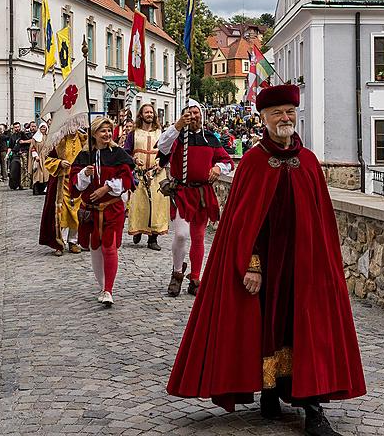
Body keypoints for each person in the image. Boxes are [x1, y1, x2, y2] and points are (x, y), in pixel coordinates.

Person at [167, 85, 366, 436]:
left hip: (303, 265)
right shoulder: (254, 162)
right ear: (263, 118)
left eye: (289, 111)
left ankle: (313, 407)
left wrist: (325, 268)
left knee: (305, 327)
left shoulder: (308, 163)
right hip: (265, 265)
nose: (285, 118)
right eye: (277, 113)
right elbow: (244, 222)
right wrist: (252, 264)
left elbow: (321, 222)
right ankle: (271, 389)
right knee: (264, 325)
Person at [158, 99, 234, 297]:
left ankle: (195, 277)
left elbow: (227, 161)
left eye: (196, 112)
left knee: (199, 237)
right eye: (189, 112)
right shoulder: (177, 137)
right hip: (182, 191)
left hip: (202, 193)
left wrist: (218, 167)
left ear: (202, 114)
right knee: (181, 235)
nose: (194, 116)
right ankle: (177, 273)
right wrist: (177, 126)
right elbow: (163, 148)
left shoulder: (210, 138)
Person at [69, 117, 134, 306]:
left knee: (109, 247)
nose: (106, 134)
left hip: (112, 208)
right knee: (95, 248)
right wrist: (84, 174)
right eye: (102, 131)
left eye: (109, 131)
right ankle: (102, 285)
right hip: (91, 210)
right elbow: (75, 183)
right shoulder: (84, 156)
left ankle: (109, 290)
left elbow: (126, 177)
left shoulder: (118, 154)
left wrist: (106, 188)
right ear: (94, 134)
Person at [124, 104, 169, 251]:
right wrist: (134, 160)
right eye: (146, 112)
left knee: (156, 205)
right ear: (141, 115)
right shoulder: (134, 133)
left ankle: (153, 238)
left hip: (157, 174)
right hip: (139, 173)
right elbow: (126, 152)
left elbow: (168, 152)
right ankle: (138, 230)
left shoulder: (161, 133)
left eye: (151, 112)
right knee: (139, 205)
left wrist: (161, 164)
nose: (149, 114)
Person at [39, 128, 87, 256]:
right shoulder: (58, 140)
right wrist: (59, 162)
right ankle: (59, 242)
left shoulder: (84, 139)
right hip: (62, 182)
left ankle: (73, 241)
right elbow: (48, 159)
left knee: (77, 213)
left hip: (78, 181)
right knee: (61, 213)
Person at [28, 122, 49, 195]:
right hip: (38, 158)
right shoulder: (35, 137)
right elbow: (32, 147)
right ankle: (36, 190)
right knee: (37, 174)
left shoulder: (48, 137)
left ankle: (44, 190)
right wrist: (35, 155)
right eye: (42, 127)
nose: (43, 128)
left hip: (46, 158)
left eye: (44, 127)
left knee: (46, 174)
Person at [8, 122, 30, 190]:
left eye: (18, 127)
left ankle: (22, 185)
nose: (17, 128)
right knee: (13, 170)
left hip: (23, 154)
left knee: (23, 170)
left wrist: (23, 142)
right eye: (15, 127)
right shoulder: (12, 136)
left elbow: (30, 141)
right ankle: (14, 185)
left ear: (20, 127)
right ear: (13, 128)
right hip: (15, 154)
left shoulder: (23, 134)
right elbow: (10, 147)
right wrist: (7, 154)